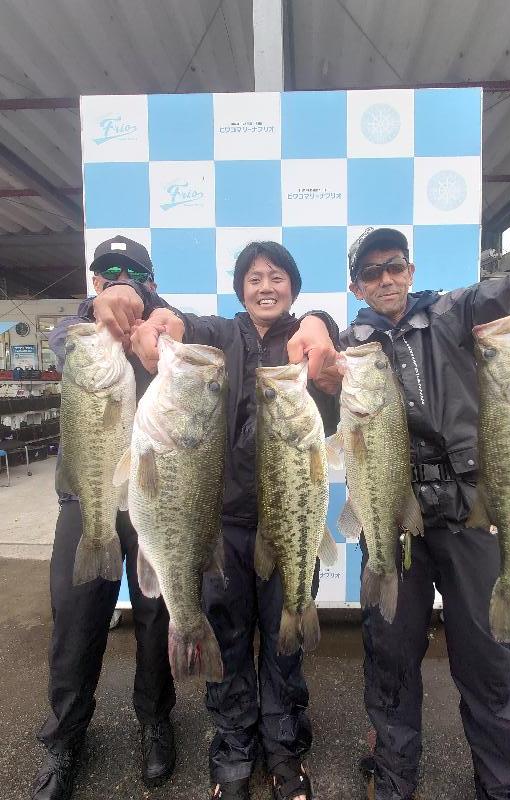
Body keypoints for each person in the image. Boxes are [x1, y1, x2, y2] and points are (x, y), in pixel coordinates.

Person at [316, 228, 510, 800]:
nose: (386, 278)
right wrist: (315, 341)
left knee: (489, 655)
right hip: (393, 518)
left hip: (472, 510)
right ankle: (394, 774)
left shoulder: (457, 311)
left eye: (395, 266)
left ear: (412, 271)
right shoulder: (350, 349)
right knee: (389, 652)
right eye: (371, 272)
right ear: (356, 287)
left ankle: (507, 784)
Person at [92, 240, 339, 800]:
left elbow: (334, 342)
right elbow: (178, 322)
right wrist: (155, 317)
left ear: (294, 287)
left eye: (277, 276)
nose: (266, 286)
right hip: (221, 521)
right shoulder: (221, 335)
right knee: (226, 637)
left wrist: (320, 322)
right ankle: (232, 748)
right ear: (240, 290)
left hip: (287, 522)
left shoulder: (307, 338)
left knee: (283, 642)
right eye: (254, 278)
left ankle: (283, 748)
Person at [32, 236, 177, 800]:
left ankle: (155, 720)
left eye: (131, 272)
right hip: (88, 495)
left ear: (151, 282)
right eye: (107, 272)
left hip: (150, 497)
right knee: (75, 619)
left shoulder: (167, 324)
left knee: (156, 615)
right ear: (94, 283)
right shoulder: (77, 328)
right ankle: (65, 738)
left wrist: (160, 330)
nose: (119, 279)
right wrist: (101, 311)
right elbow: (66, 345)